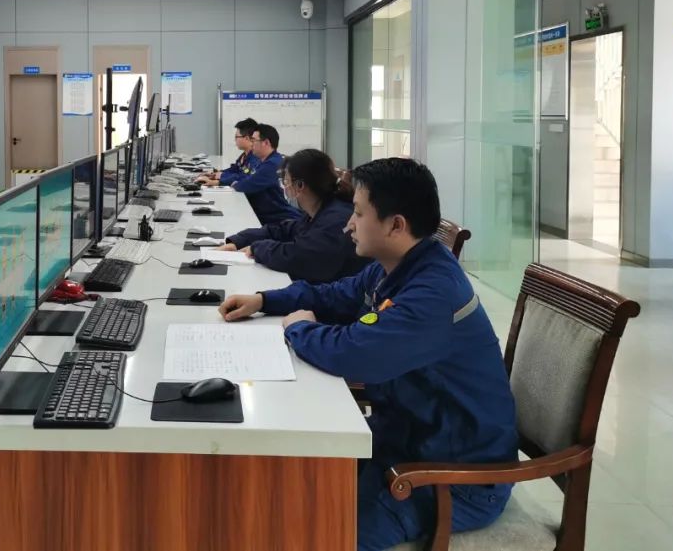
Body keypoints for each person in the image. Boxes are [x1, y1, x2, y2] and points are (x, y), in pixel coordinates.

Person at [217, 157, 517, 550]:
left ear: (396, 225)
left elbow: (353, 353)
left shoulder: (433, 293)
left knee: (322, 536)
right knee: (285, 488)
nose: (348, 224)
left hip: (453, 477)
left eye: (359, 213)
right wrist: (264, 300)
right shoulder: (398, 265)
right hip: (403, 441)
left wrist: (298, 328)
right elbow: (335, 295)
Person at [215, 149, 370, 283]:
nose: (285, 187)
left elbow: (300, 257)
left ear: (300, 185)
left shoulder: (337, 217)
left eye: (286, 181)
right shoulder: (321, 210)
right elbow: (285, 230)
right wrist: (238, 241)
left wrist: (257, 248)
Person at [227, 124, 300, 225]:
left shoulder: (272, 164)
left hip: (280, 219)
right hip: (269, 216)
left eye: (253, 140)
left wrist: (236, 184)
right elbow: (246, 179)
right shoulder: (264, 161)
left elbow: (245, 185)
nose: (251, 144)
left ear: (266, 143)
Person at [199, 118, 259, 186]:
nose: (235, 140)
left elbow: (244, 177)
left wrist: (219, 179)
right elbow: (235, 169)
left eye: (236, 137)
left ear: (247, 138)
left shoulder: (256, 157)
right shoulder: (244, 155)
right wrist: (216, 174)